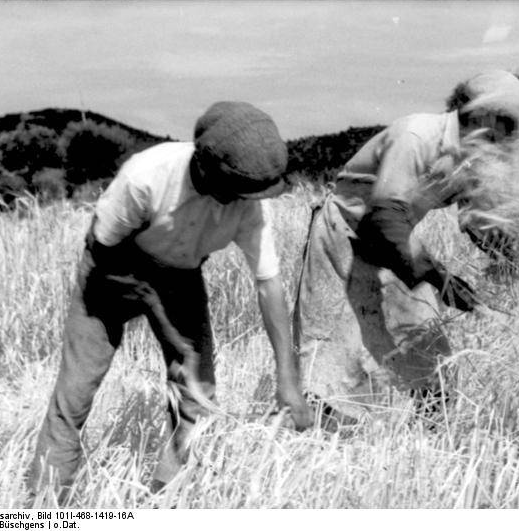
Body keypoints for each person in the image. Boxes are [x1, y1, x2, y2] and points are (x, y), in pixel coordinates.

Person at [28, 101, 313, 500]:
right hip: (109, 271)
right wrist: (148, 299)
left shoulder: (248, 203)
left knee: (198, 400)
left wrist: (288, 380)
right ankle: (40, 509)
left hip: (181, 276)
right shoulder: (146, 176)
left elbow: (269, 284)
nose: (248, 200)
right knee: (73, 397)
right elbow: (101, 245)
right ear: (209, 171)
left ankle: (166, 502)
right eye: (238, 192)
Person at [294, 71, 519, 421]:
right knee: (334, 347)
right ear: (486, 117)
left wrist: (508, 252)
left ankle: (430, 431)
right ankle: (326, 434)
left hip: (396, 242)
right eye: (509, 129)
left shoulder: (472, 155)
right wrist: (439, 279)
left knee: (426, 345)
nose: (510, 143)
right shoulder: (417, 136)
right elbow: (384, 219)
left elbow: (476, 216)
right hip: (344, 236)